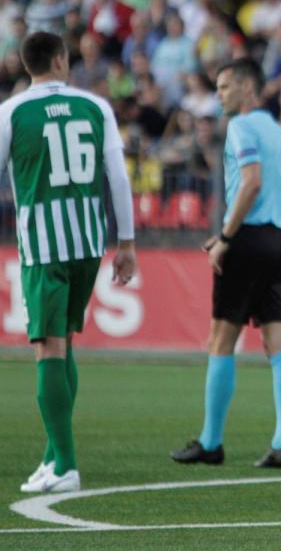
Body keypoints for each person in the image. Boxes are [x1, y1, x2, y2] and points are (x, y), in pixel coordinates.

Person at [0, 31, 136, 493]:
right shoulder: (96, 106)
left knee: (47, 349)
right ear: (60, 60)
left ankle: (66, 466)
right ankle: (51, 456)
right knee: (66, 344)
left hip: (43, 246)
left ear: (26, 65)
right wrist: (129, 243)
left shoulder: (12, 112)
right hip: (88, 243)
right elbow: (117, 175)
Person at [171, 58, 281, 469]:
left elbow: (252, 181)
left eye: (225, 86)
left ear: (247, 87)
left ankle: (211, 441)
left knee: (220, 341)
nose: (220, 94)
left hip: (248, 239)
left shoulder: (241, 127)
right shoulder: (279, 132)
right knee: (277, 343)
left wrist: (226, 237)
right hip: (279, 238)